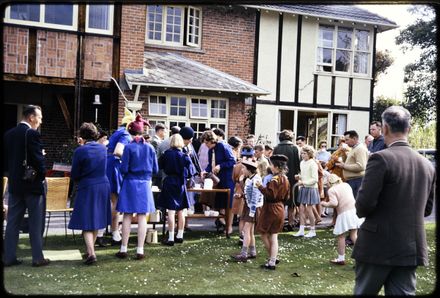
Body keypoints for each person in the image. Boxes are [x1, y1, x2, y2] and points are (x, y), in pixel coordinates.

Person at [352, 106, 436, 295]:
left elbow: (363, 205)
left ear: (385, 129)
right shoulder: (427, 165)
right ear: (410, 128)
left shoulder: (380, 159)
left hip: (377, 244)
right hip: (410, 244)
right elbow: (427, 209)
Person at [3, 105, 49, 267]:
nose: (40, 120)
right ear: (31, 117)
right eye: (40, 117)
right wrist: (42, 177)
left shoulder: (8, 134)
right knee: (36, 223)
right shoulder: (32, 134)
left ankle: (8, 257)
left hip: (15, 185)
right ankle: (37, 258)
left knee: (12, 222)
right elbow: (38, 161)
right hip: (33, 185)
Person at [115, 114, 158, 260]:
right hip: (145, 183)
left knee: (127, 215)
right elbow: (156, 169)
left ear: (131, 132)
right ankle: (140, 250)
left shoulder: (128, 147)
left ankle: (124, 248)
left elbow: (124, 169)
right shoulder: (151, 148)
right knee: (142, 217)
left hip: (130, 183)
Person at [68, 122, 112, 265]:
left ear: (82, 135)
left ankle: (91, 253)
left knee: (86, 220)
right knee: (96, 220)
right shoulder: (103, 149)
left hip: (87, 185)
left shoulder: (80, 151)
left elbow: (74, 173)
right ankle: (89, 250)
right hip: (103, 184)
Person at [158, 134, 196, 246]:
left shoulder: (166, 154)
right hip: (180, 182)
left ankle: (170, 238)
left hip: (169, 181)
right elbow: (191, 171)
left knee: (170, 211)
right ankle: (179, 235)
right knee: (181, 210)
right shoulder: (184, 155)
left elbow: (159, 167)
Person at [255, 154, 290, 270]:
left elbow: (270, 194)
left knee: (263, 232)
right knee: (274, 235)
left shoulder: (274, 180)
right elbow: (287, 196)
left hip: (271, 208)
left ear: (276, 167)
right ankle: (273, 259)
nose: (270, 166)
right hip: (280, 207)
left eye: (271, 164)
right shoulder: (285, 179)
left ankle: (272, 259)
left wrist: (260, 187)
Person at [320, 174, 363, 265]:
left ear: (329, 182)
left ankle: (341, 258)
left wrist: (325, 204)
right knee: (354, 235)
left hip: (344, 214)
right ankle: (363, 257)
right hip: (354, 211)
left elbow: (334, 203)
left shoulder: (332, 190)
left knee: (341, 236)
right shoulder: (346, 185)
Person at [106, 107, 134, 245]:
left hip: (109, 165)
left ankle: (105, 231)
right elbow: (118, 151)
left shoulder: (118, 132)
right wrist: (130, 160)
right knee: (115, 202)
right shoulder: (126, 135)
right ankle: (115, 233)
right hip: (115, 166)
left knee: (112, 200)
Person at [203, 130, 236, 236]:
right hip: (217, 180)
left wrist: (220, 166)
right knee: (220, 202)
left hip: (228, 178)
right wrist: (205, 171)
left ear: (211, 140)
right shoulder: (210, 151)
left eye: (206, 143)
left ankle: (229, 227)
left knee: (229, 204)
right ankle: (222, 223)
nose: (205, 145)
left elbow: (232, 161)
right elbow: (210, 165)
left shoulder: (223, 146)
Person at [231, 158, 263, 262]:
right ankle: (252, 252)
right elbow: (248, 193)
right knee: (250, 231)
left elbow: (255, 196)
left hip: (252, 207)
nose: (242, 170)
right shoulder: (249, 179)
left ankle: (244, 254)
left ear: (249, 170)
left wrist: (252, 212)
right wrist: (241, 195)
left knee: (246, 230)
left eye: (244, 168)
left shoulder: (256, 179)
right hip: (249, 206)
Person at [272, 130, 300, 231]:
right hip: (292, 177)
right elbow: (298, 163)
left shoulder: (276, 148)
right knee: (292, 201)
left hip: (279, 177)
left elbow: (273, 163)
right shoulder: (295, 148)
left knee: (281, 200)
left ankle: (281, 222)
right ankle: (291, 222)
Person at [293, 145, 320, 238]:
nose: (303, 155)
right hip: (304, 187)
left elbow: (315, 179)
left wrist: (303, 183)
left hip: (311, 188)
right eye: (302, 153)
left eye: (304, 153)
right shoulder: (302, 163)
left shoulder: (313, 163)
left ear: (310, 154)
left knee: (309, 209)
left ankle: (313, 230)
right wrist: (299, 176)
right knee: (301, 209)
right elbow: (305, 174)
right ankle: (301, 229)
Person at [231, 145, 255, 245]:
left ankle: (242, 236)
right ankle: (246, 237)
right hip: (248, 191)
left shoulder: (237, 166)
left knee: (242, 217)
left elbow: (233, 178)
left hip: (238, 189)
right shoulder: (253, 166)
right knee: (247, 218)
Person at [335, 130, 369, 198]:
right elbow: (351, 162)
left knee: (354, 204)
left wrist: (344, 166)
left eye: (347, 140)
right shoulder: (354, 148)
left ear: (354, 139)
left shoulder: (360, 149)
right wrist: (344, 154)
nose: (346, 142)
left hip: (357, 181)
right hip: (353, 181)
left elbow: (361, 166)